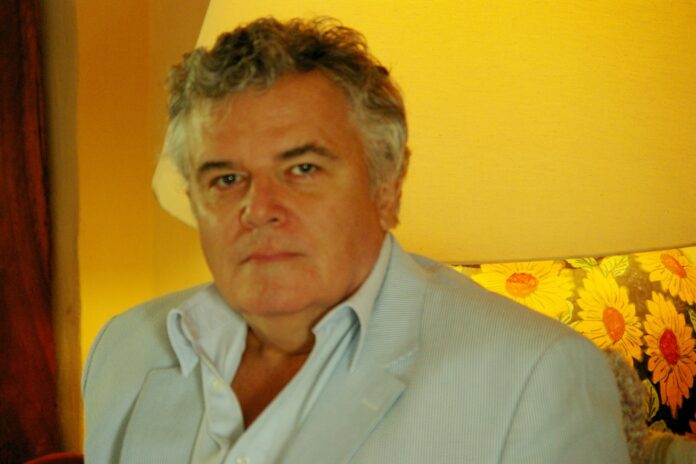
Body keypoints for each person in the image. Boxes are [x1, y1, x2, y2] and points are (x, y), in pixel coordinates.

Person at [82, 17, 631, 463]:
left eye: (302, 169)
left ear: (387, 185)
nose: (259, 209)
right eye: (226, 179)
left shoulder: (534, 377)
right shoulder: (125, 349)